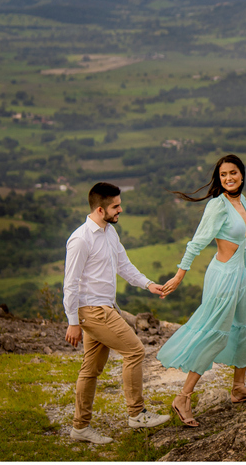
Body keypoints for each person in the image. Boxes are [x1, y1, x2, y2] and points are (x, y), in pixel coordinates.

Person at [156, 154, 246, 428]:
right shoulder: (217, 206)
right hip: (223, 277)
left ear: (242, 174)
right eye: (223, 175)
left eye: (233, 173)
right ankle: (183, 397)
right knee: (214, 334)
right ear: (219, 179)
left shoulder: (242, 202)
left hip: (240, 274)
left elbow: (243, 243)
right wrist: (180, 274)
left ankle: (239, 388)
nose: (228, 178)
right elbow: (197, 242)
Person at [63, 182, 170, 444]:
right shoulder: (80, 239)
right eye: (116, 206)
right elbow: (70, 283)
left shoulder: (110, 232)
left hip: (106, 307)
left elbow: (124, 265)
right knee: (135, 351)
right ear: (100, 209)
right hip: (93, 310)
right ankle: (137, 414)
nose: (120, 209)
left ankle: (80, 427)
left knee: (91, 369)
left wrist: (148, 284)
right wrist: (73, 322)